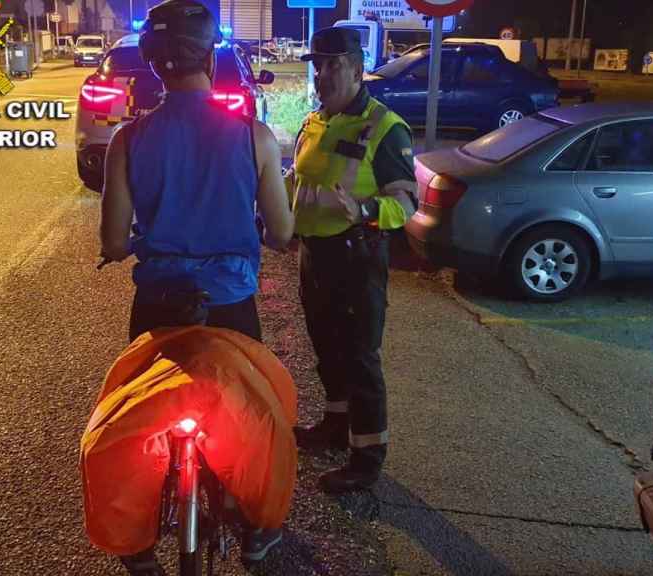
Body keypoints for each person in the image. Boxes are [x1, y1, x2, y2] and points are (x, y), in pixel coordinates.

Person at [97, 0, 293, 571]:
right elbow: (282, 232)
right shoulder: (254, 137)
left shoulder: (128, 140)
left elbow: (113, 240)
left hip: (157, 308)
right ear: (210, 59)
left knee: (141, 415)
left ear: (153, 65)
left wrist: (132, 244)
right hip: (231, 307)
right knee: (255, 417)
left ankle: (137, 542)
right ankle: (256, 528)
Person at [291, 27, 417, 493]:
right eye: (317, 65)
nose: (322, 74)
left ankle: (366, 457)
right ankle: (335, 427)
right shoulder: (314, 121)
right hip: (313, 254)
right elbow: (297, 181)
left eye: (333, 65)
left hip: (356, 256)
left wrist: (364, 211)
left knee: (360, 357)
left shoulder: (384, 127)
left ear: (358, 70)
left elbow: (407, 203)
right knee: (327, 350)